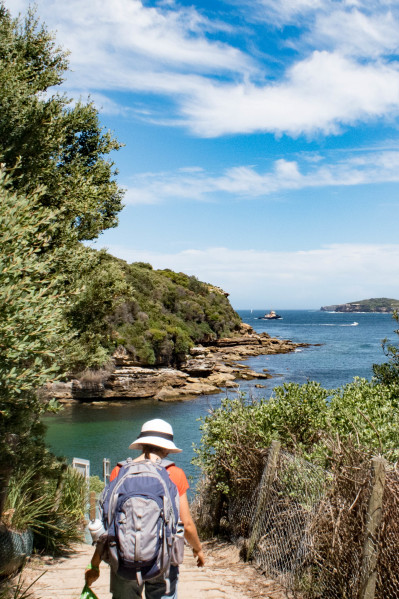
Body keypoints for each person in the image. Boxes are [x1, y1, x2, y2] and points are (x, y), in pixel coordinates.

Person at [85, 419, 205, 599]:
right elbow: (186, 524)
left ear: (141, 445)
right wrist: (198, 549)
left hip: (122, 558)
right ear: (166, 448)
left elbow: (108, 523)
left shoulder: (119, 471)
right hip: (162, 560)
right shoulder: (175, 474)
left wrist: (95, 563)